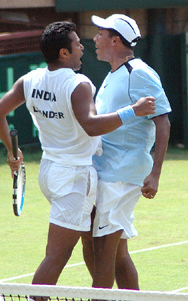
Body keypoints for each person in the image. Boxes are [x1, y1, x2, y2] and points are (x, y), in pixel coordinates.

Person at [0, 21, 155, 300]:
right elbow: (91, 125)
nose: (82, 47)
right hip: (74, 178)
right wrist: (133, 111)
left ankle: (111, 294)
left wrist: (11, 151)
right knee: (57, 256)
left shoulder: (29, 80)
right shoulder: (79, 84)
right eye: (77, 44)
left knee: (94, 242)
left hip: (50, 173)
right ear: (64, 53)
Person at [81, 14, 171, 290]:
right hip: (108, 171)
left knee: (104, 251)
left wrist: (155, 173)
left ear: (115, 40)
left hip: (123, 174)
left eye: (100, 34)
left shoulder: (139, 72)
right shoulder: (113, 74)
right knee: (116, 253)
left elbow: (162, 120)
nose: (95, 39)